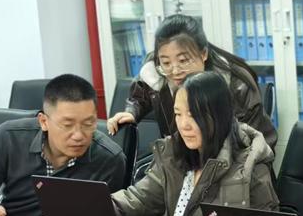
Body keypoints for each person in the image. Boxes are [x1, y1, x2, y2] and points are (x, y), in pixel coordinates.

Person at [111, 70, 278, 216]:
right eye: (178, 114)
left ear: (219, 115)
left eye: (193, 115)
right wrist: (98, 208)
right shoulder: (173, 154)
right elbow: (138, 200)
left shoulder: (251, 164)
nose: (184, 125)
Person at [0, 74, 126, 216]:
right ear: (44, 121)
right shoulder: (9, 138)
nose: (78, 135)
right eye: (67, 125)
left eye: (88, 124)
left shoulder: (109, 159)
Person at [106, 14, 277, 151]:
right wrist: (132, 112)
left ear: (203, 54)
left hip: (235, 169)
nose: (175, 71)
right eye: (166, 62)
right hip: (182, 163)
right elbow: (141, 92)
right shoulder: (156, 70)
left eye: (183, 60)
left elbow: (257, 143)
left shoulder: (235, 84)